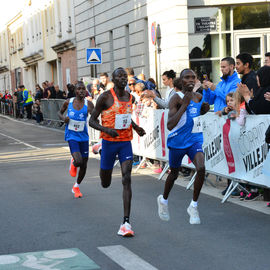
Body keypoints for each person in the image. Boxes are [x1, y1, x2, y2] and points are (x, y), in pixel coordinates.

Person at [89, 67, 146, 237]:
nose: (122, 78)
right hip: (109, 142)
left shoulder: (130, 97)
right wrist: (106, 130)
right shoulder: (105, 97)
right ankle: (101, 156)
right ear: (113, 80)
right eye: (118, 76)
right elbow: (92, 121)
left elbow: (126, 117)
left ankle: (126, 222)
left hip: (124, 143)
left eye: (124, 76)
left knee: (126, 178)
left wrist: (136, 128)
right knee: (105, 183)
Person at [157, 69, 209, 225]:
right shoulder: (176, 98)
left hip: (194, 140)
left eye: (193, 77)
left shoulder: (199, 97)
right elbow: (170, 124)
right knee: (174, 174)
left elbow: (196, 115)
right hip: (178, 141)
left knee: (201, 168)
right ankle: (164, 200)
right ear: (182, 80)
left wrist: (203, 110)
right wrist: (184, 105)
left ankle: (193, 206)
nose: (191, 80)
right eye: (187, 77)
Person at [58, 81, 94, 198]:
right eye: (79, 89)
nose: (82, 91)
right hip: (72, 135)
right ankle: (73, 162)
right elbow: (59, 112)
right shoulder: (68, 102)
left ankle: (76, 186)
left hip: (83, 136)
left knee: (84, 165)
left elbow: (94, 118)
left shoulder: (89, 104)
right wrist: (64, 118)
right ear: (75, 91)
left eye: (83, 89)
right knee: (78, 161)